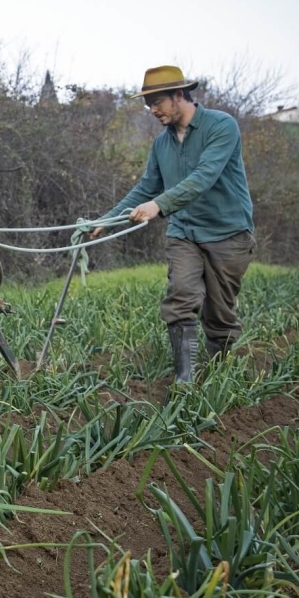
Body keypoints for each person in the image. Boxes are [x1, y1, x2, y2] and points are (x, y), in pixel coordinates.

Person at [91, 65, 255, 385]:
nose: (152, 110)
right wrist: (107, 220)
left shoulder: (222, 126)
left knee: (219, 315)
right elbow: (146, 187)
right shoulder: (161, 144)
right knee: (180, 296)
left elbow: (203, 177)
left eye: (157, 102)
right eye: (147, 104)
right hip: (184, 232)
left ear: (179, 95)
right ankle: (185, 380)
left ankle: (217, 375)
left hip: (228, 234)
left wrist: (159, 205)